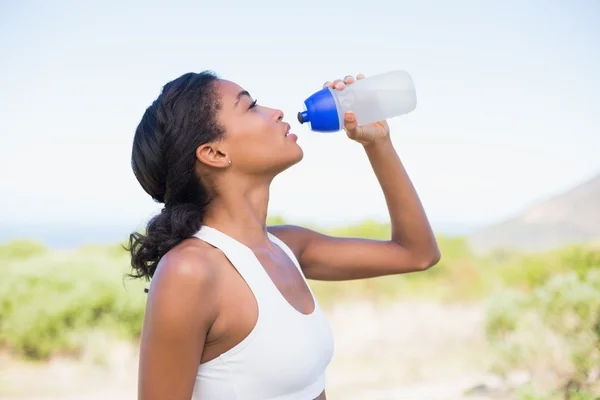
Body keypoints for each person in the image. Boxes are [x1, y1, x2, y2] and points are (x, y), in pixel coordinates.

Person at [127, 71, 440, 400]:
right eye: (251, 107)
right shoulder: (189, 271)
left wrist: (377, 143)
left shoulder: (287, 246)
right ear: (214, 153)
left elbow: (417, 253)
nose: (276, 112)